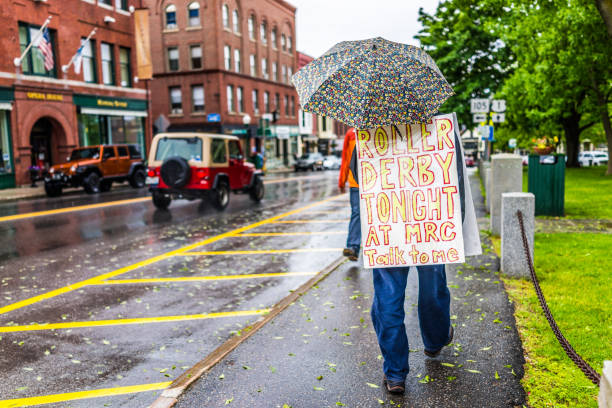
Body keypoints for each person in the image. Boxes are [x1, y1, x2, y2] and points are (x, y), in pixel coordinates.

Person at [368, 126, 480, 395]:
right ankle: (436, 338)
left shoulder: (369, 131)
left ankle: (395, 374)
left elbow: (358, 175)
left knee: (388, 298)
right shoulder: (439, 130)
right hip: (430, 221)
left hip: (388, 224)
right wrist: (455, 224)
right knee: (433, 288)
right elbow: (455, 179)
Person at [338, 127, 360, 261]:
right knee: (357, 213)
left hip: (375, 183)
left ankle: (354, 246)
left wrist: (342, 181)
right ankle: (353, 247)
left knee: (357, 214)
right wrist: (342, 180)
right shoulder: (352, 134)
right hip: (357, 183)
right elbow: (346, 159)